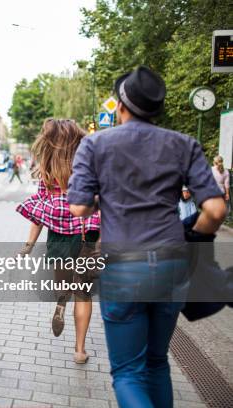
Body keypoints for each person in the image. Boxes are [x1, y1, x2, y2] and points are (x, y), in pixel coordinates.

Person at [67, 66, 226, 408]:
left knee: (127, 373)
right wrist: (196, 238)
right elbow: (215, 210)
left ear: (120, 105)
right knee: (157, 363)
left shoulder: (95, 144)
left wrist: (104, 197)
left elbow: (78, 209)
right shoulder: (184, 144)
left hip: (123, 267)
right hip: (171, 265)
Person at [16, 119, 100, 364]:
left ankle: (61, 302)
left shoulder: (48, 166)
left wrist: (28, 246)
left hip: (59, 234)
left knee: (63, 285)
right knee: (83, 293)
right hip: (88, 234)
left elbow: (40, 210)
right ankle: (79, 350)